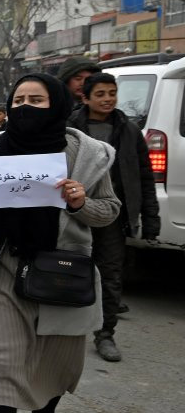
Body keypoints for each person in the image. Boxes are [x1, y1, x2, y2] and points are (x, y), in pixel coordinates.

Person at [0, 72, 120, 413]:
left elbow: (109, 211)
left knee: (57, 363)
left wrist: (80, 201)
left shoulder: (87, 153)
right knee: (4, 360)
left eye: (37, 99)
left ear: (56, 103)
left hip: (62, 272)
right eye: (19, 99)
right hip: (6, 267)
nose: (27, 106)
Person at [68, 72, 159, 362]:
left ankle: (105, 334)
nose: (107, 99)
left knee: (110, 276)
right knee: (68, 270)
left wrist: (150, 220)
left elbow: (144, 175)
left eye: (111, 93)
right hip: (73, 212)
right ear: (86, 97)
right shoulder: (69, 127)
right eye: (100, 94)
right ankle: (67, 329)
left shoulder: (129, 130)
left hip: (112, 215)